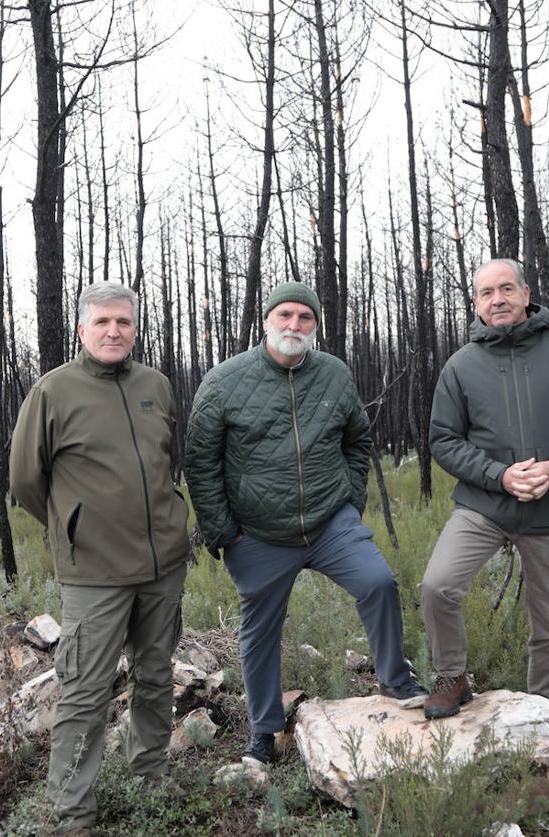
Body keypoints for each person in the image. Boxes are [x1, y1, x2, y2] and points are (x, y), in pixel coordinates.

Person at [185, 281, 426, 766]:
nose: (294, 325)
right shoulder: (224, 380)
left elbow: (358, 440)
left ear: (315, 325)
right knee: (259, 631)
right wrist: (223, 531)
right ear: (267, 320)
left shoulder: (334, 374)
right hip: (256, 533)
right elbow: (200, 460)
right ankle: (264, 733)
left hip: (328, 521)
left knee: (379, 582)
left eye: (304, 318)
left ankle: (396, 680)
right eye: (285, 315)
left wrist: (350, 502)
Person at [9, 282, 191, 837]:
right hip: (94, 575)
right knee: (85, 694)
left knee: (156, 677)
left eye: (124, 323)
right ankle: (72, 816)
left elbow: (166, 462)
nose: (114, 331)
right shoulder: (53, 391)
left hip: (162, 567)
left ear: (135, 329)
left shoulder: (155, 386)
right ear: (83, 329)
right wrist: (75, 528)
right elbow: (25, 481)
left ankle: (149, 781)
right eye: (103, 322)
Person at [420, 258, 549, 720]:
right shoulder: (461, 367)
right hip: (485, 505)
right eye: (487, 292)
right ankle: (452, 677)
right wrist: (500, 476)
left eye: (507, 289)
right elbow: (444, 440)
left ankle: (543, 710)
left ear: (526, 293)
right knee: (438, 585)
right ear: (475, 303)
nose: (498, 300)